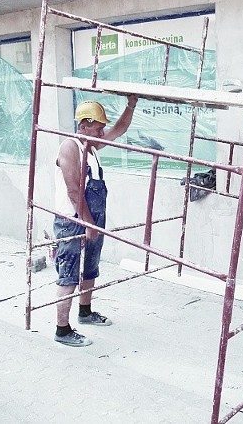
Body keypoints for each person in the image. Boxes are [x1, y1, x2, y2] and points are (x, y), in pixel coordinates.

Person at [53, 96, 137, 347]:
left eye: (102, 127)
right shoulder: (70, 147)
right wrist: (88, 224)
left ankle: (85, 312)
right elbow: (74, 191)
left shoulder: (91, 147)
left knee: (90, 269)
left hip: (92, 219)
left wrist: (131, 105)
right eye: (98, 126)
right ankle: (62, 329)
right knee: (68, 276)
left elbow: (119, 130)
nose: (102, 131)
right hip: (73, 221)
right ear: (83, 126)